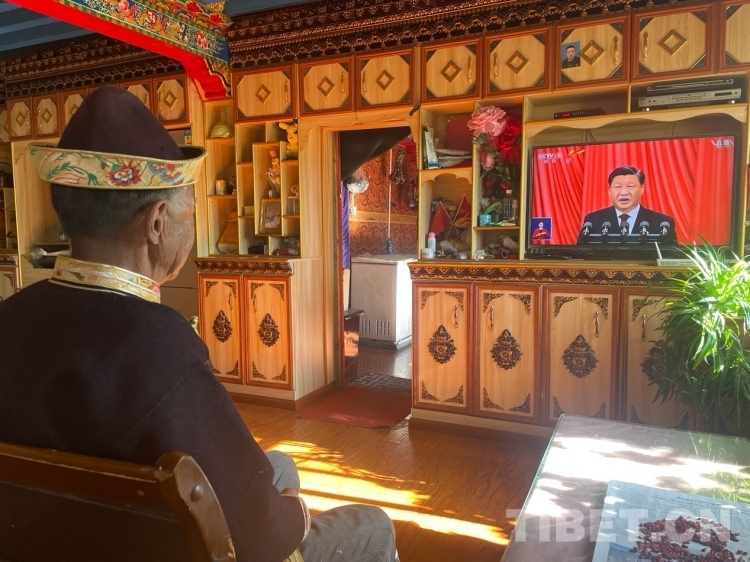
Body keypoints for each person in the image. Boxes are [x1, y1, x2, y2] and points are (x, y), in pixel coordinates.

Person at [0, 85, 398, 562]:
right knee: (373, 525)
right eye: (189, 207)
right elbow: (262, 535)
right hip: (148, 547)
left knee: (280, 465)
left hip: (53, 539)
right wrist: (294, 511)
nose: (192, 222)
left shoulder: (11, 316)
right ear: (157, 223)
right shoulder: (156, 344)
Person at [577, 165, 676, 244]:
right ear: (609, 190)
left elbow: (672, 256)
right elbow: (580, 254)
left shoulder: (662, 223)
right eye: (618, 187)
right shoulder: (593, 221)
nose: (624, 192)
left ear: (642, 188)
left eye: (630, 186)